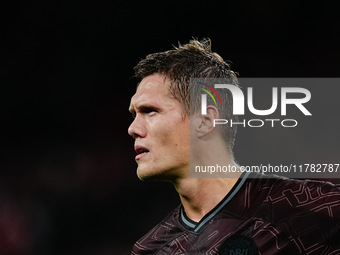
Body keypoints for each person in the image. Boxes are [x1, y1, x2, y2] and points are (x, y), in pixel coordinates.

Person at [128, 39, 340, 254]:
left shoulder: (312, 209)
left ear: (206, 120)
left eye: (150, 111)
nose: (133, 128)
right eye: (134, 114)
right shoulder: (150, 249)